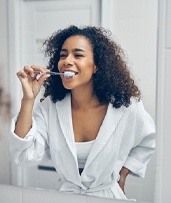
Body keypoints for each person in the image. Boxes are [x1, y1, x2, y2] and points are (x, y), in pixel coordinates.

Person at [9, 25, 155, 200]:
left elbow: (147, 141)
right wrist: (28, 99)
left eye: (78, 55)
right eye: (63, 55)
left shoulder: (125, 106)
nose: (67, 61)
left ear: (96, 66)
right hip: (67, 196)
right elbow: (23, 155)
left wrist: (123, 174)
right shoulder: (50, 107)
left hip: (108, 196)